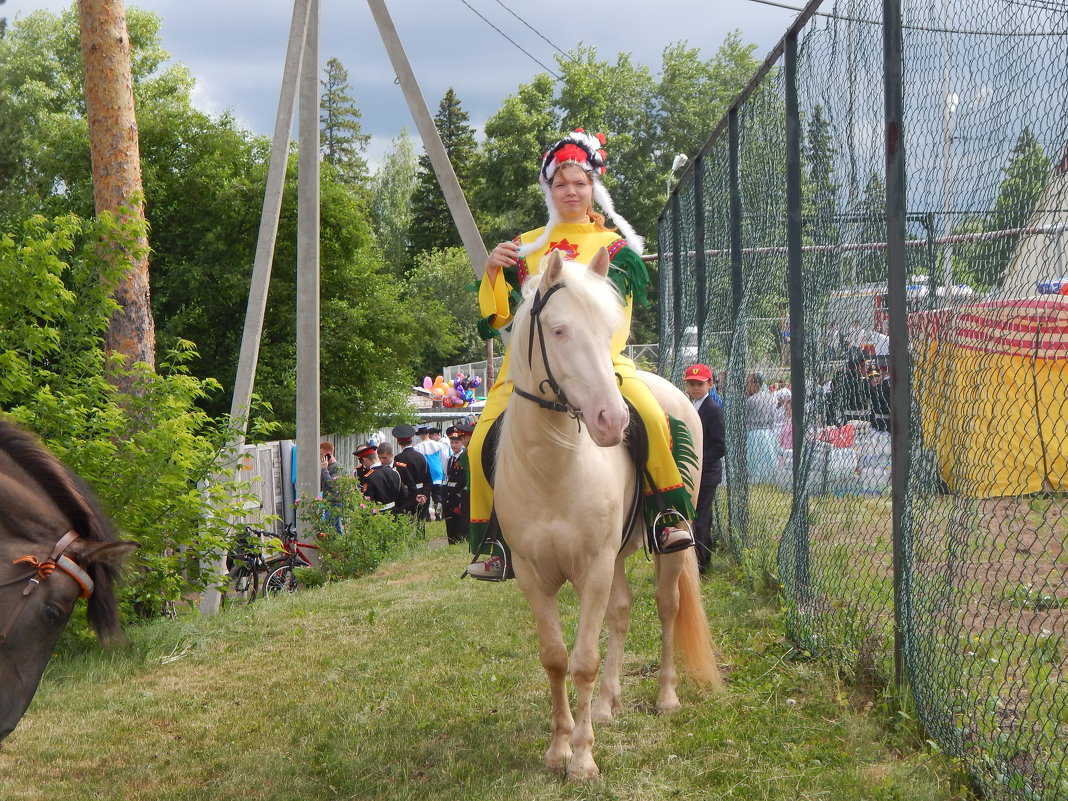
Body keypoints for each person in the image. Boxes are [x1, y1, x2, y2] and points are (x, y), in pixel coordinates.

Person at [465, 129, 696, 580]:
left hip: (601, 362)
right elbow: (497, 321)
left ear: (595, 187)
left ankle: (667, 516)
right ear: (548, 189)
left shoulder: (616, 248)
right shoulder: (524, 248)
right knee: (477, 447)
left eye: (580, 182)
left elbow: (620, 317)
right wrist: (492, 272)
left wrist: (589, 361)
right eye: (561, 183)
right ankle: (494, 543)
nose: (571, 191)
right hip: (525, 373)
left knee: (649, 416)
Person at [682, 364, 725, 575]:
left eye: (699, 384)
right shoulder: (689, 406)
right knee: (693, 515)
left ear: (710, 384)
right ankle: (694, 558)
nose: (695, 388)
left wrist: (697, 462)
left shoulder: (713, 410)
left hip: (706, 474)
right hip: (692, 473)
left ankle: (702, 562)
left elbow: (719, 446)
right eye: (691, 384)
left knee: (700, 516)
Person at [744, 372, 779, 484]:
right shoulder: (769, 397)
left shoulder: (751, 400)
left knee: (752, 460)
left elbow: (745, 418)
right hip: (767, 433)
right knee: (767, 460)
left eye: (748, 383)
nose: (747, 386)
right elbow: (773, 417)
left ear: (754, 384)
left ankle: (754, 479)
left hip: (752, 433)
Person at [392, 424, 430, 517]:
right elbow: (428, 480)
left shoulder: (398, 458)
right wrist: (424, 495)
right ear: (411, 439)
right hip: (422, 494)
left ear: (398, 442)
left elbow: (398, 480)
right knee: (420, 525)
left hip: (407, 496)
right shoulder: (422, 457)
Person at [354, 442, 403, 513]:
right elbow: (402, 495)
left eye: (362, 462)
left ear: (365, 460)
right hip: (394, 512)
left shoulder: (368, 477)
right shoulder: (394, 472)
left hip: (378, 516)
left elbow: (368, 501)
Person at [441, 426, 470, 545]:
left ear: (462, 442)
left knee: (459, 522)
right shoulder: (450, 459)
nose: (453, 445)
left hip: (458, 494)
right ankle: (451, 541)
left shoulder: (464, 458)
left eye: (456, 442)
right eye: (452, 442)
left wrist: (456, 494)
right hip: (449, 495)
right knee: (450, 522)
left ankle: (459, 541)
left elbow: (463, 479)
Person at [319, 441, 342, 532]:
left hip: (334, 503)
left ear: (328, 454)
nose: (319, 456)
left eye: (321, 454)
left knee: (329, 529)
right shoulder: (326, 466)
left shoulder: (337, 467)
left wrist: (324, 469)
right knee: (336, 529)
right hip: (327, 502)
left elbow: (332, 484)